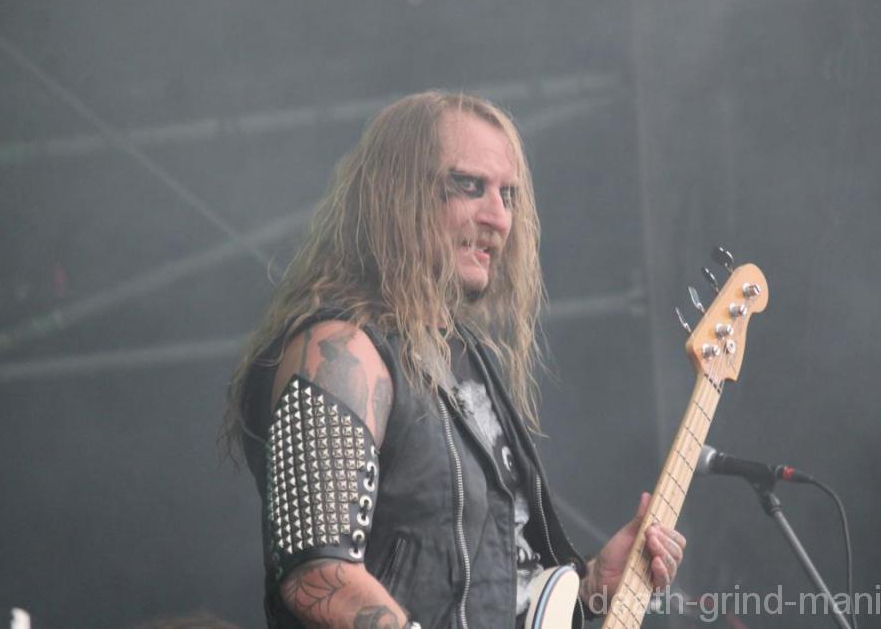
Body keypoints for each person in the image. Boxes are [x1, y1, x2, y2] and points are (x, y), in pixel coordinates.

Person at [222, 91, 686, 628]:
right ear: (396, 195)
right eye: (468, 186)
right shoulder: (341, 349)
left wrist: (589, 588)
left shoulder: (470, 361)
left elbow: (492, 591)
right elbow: (317, 575)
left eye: (508, 195)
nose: (498, 217)